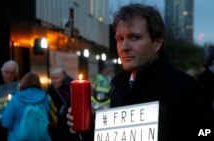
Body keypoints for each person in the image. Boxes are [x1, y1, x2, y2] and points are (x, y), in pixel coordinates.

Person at [67, 3, 212, 141]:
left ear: (157, 43)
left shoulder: (185, 88)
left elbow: (205, 133)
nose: (124, 46)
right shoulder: (119, 89)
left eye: (134, 37)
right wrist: (94, 127)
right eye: (120, 39)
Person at [1, 72, 51, 141]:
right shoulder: (44, 97)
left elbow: (6, 122)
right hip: (41, 137)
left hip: (17, 137)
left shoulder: (16, 98)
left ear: (23, 82)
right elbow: (47, 117)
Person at [47, 68, 76, 141]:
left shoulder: (72, 87)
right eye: (52, 78)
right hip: (56, 128)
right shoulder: (51, 89)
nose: (53, 81)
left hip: (70, 127)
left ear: (64, 77)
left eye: (56, 78)